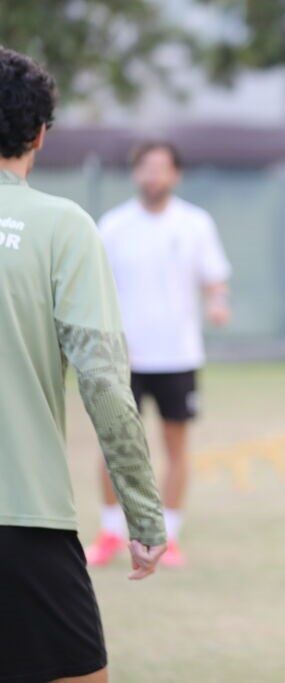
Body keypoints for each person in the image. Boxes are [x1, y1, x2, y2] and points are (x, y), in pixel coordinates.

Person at [0, 47, 166, 682]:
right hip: (23, 517)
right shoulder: (62, 227)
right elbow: (102, 381)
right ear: (40, 135)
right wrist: (142, 512)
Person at [84, 141, 231, 569]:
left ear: (175, 174)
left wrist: (217, 303)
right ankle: (111, 532)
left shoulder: (195, 223)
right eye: (146, 168)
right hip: (123, 358)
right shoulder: (113, 226)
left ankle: (170, 536)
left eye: (161, 168)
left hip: (178, 357)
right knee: (115, 447)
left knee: (175, 447)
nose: (153, 176)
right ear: (136, 174)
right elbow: (94, 286)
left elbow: (214, 279)